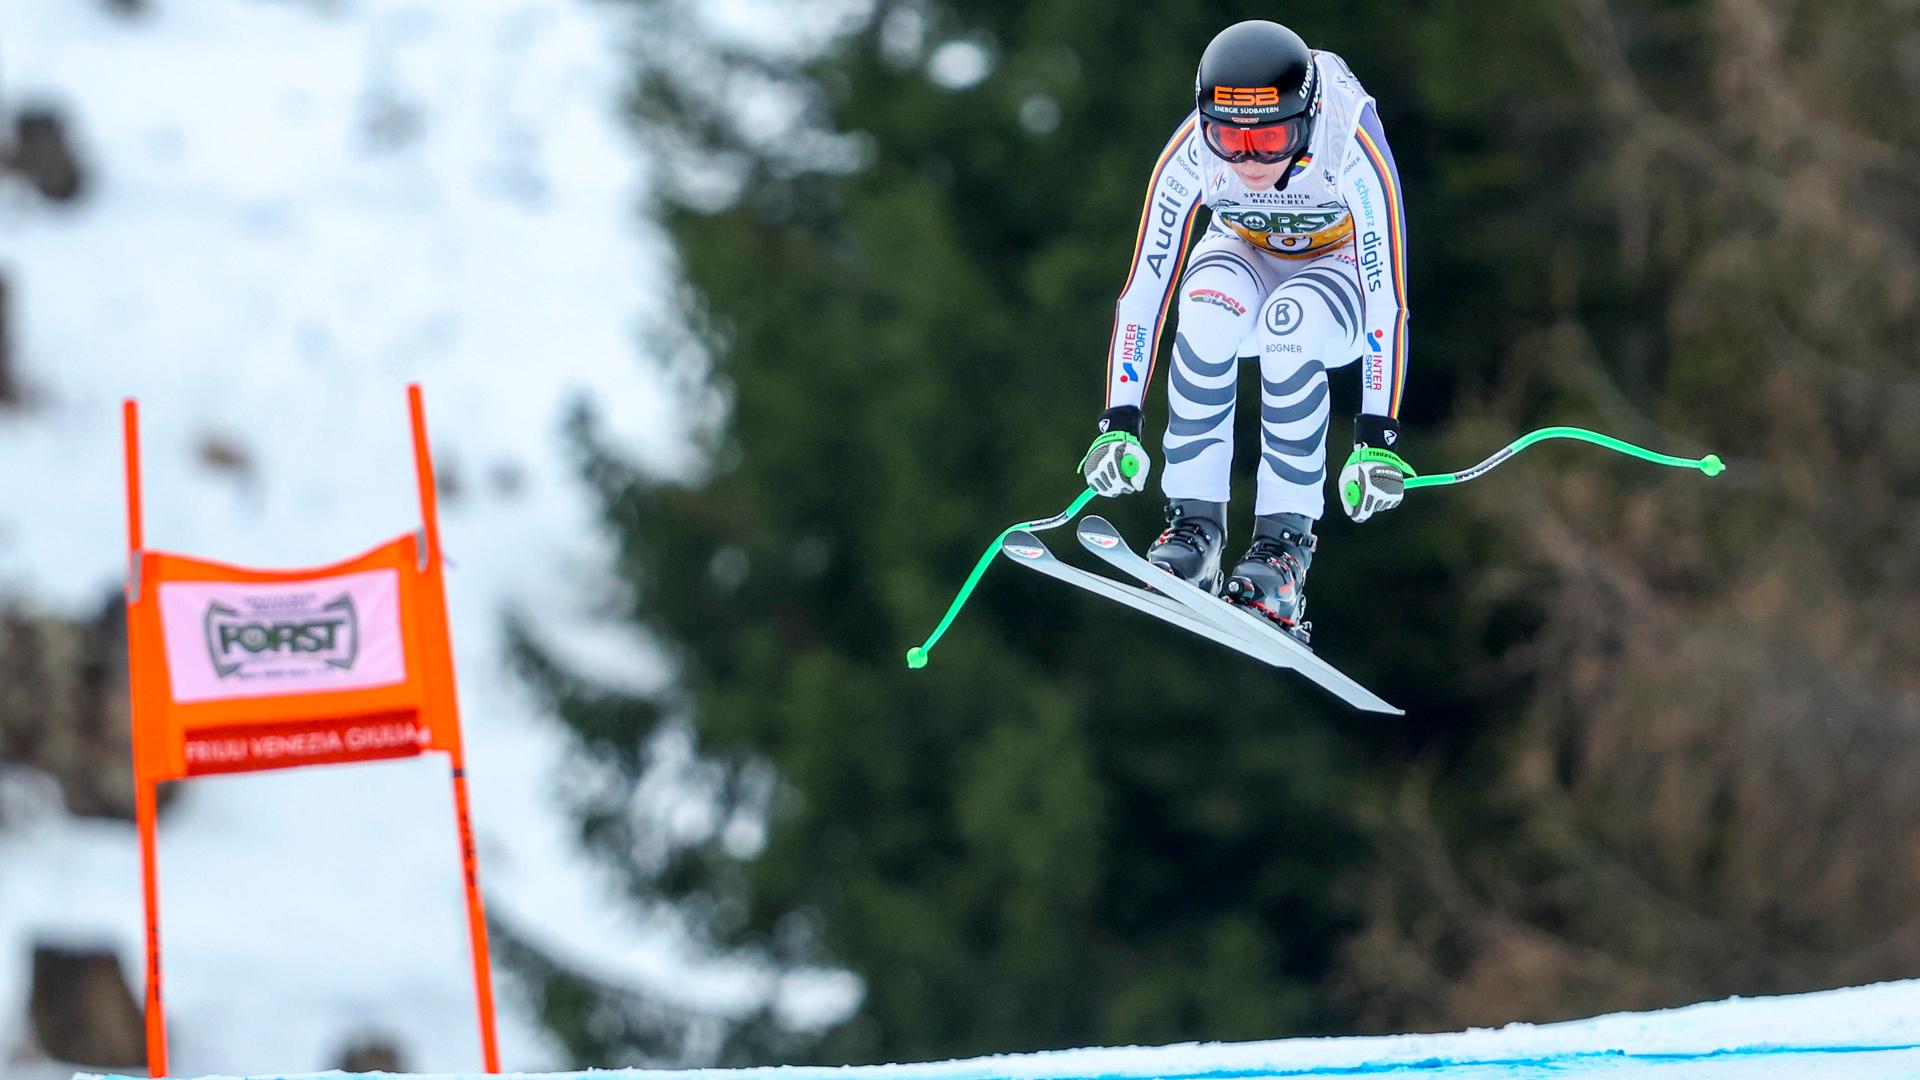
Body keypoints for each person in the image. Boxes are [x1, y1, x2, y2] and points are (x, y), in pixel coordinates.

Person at [1077, 19, 1412, 638]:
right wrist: (1118, 422)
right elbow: (1144, 292)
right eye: (1228, 138)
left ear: (1307, 120)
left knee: (1291, 327)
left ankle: (1283, 553)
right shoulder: (1190, 152)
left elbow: (1388, 297)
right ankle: (1195, 528)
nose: (1249, 159)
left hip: (1334, 272)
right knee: (1203, 309)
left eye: (1272, 137)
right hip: (1244, 249)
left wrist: (1376, 438)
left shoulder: (1350, 141)